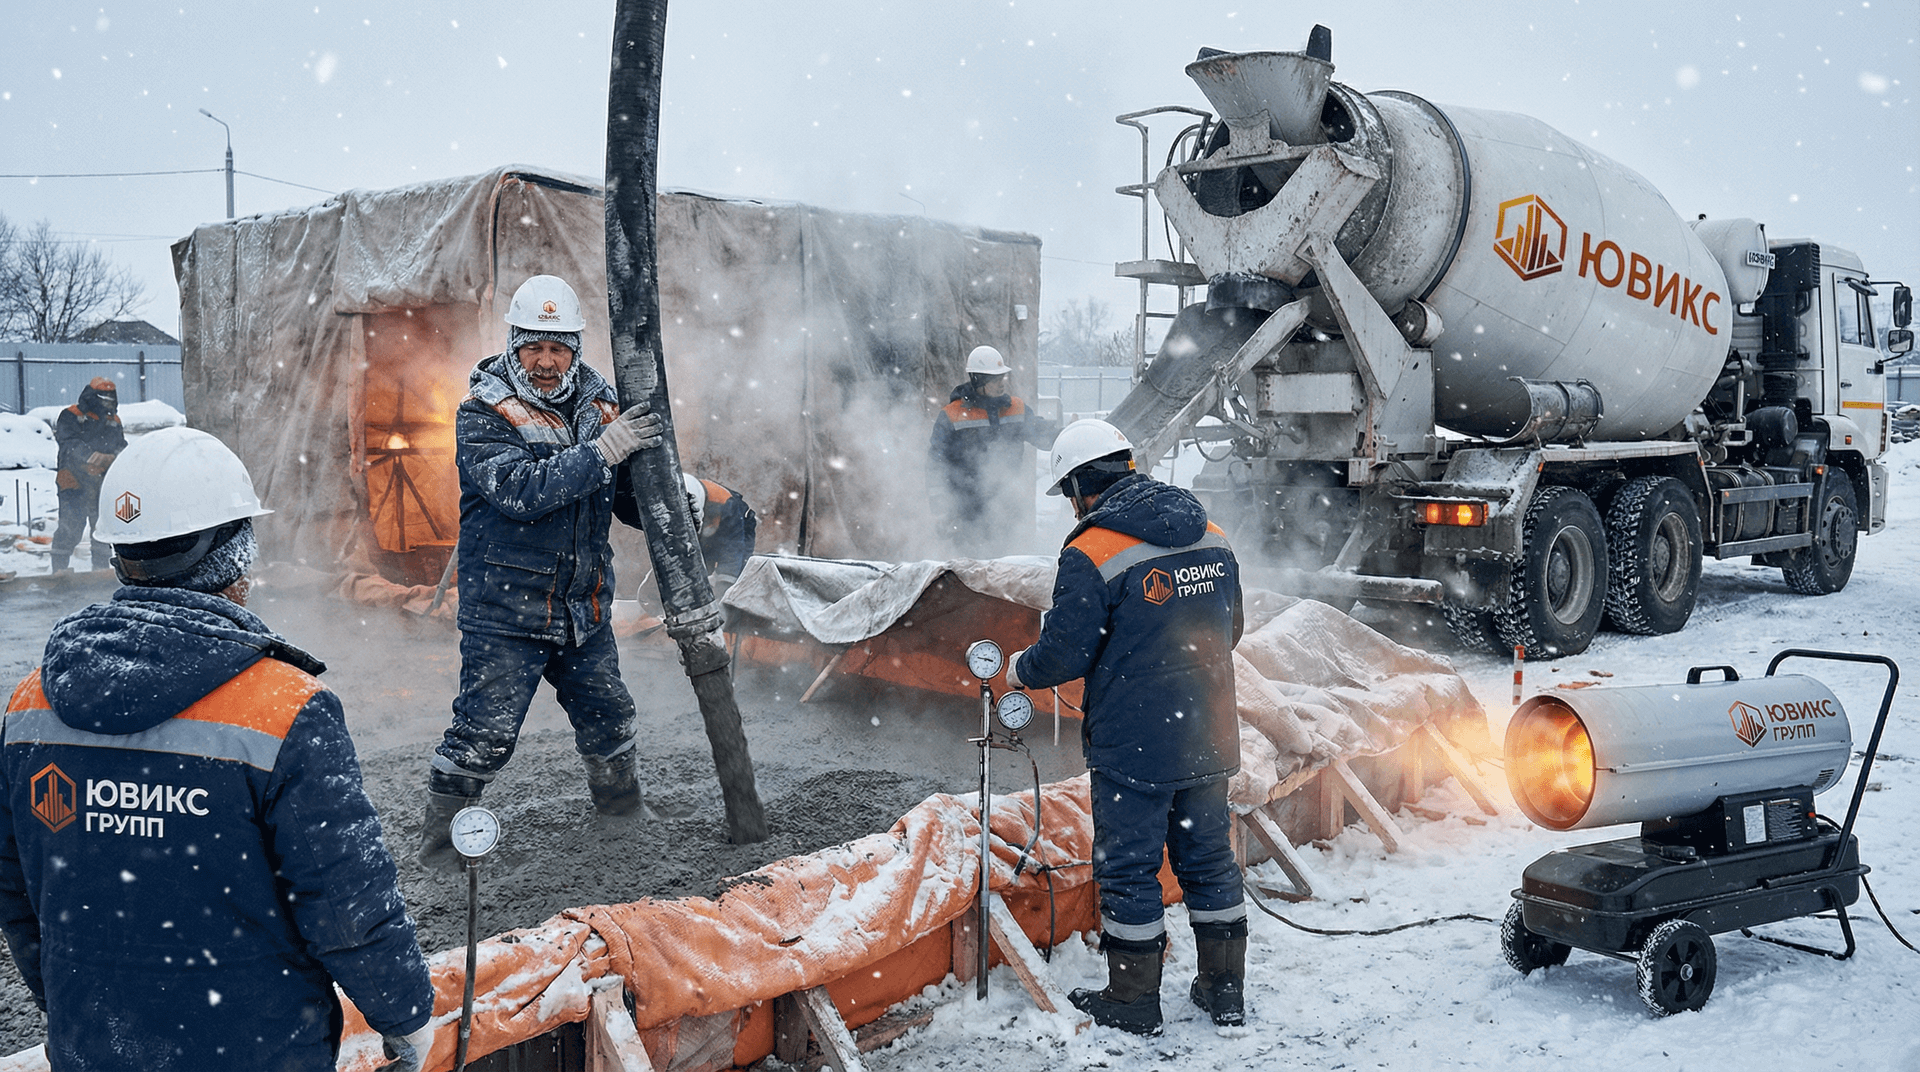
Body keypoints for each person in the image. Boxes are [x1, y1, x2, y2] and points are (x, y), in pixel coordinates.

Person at [0, 426, 436, 1072]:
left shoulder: (30, 706)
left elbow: (20, 900)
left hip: (94, 1051)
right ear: (235, 555)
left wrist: (84, 1007)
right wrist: (406, 1017)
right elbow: (348, 909)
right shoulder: (285, 709)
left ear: (120, 557)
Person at [1004, 419, 1247, 1036]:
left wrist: (1019, 670)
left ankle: (1134, 999)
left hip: (1135, 743)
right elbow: (1232, 627)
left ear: (1083, 484)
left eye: (1067, 492)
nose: (1070, 505)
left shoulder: (1090, 551)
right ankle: (1225, 992)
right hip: (1209, 730)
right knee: (1210, 859)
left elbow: (1063, 655)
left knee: (1130, 868)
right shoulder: (1212, 535)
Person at [420, 274, 666, 869]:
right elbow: (518, 490)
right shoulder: (484, 409)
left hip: (583, 606)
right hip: (506, 609)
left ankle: (622, 812)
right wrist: (603, 451)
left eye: (558, 348)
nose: (546, 361)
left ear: (576, 350)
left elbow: (619, 498)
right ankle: (441, 852)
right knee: (486, 734)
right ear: (514, 345)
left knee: (610, 715)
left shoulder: (602, 404)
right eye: (534, 347)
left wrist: (668, 498)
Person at [926, 344, 1055, 556]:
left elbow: (1042, 433)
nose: (1001, 384)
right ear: (977, 380)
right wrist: (941, 509)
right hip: (966, 515)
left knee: (1007, 570)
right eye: (994, 379)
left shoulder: (1016, 408)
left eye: (1002, 377)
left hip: (1006, 510)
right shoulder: (952, 415)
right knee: (972, 575)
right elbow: (935, 464)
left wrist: (1071, 435)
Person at [49, 376, 127, 573]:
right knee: (71, 525)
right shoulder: (71, 415)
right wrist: (91, 456)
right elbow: (68, 442)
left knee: (101, 528)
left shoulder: (114, 420)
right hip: (72, 477)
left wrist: (113, 457)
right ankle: (59, 570)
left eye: (110, 399)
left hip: (102, 481)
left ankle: (100, 570)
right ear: (92, 396)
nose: (107, 403)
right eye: (103, 398)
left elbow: (121, 445)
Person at [682, 472, 758, 602]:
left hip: (738, 523)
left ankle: (731, 607)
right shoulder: (687, 494)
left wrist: (723, 592)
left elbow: (732, 552)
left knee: (737, 571)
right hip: (708, 525)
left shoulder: (728, 506)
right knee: (701, 567)